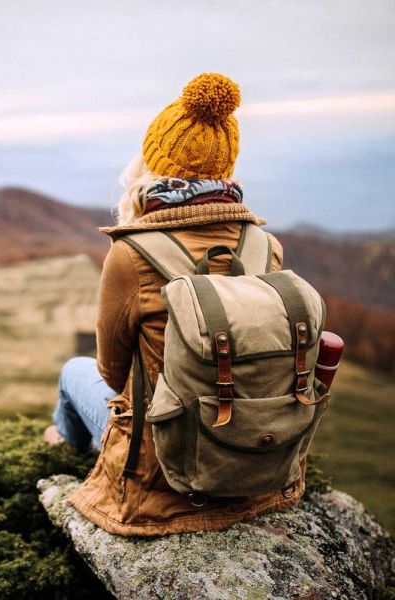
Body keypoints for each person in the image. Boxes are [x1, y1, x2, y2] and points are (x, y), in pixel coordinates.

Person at [45, 73, 300, 536]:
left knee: (73, 372)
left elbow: (112, 374)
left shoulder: (131, 253)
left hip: (164, 471)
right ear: (227, 170)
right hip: (252, 449)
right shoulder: (266, 247)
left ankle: (60, 442)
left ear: (154, 165)